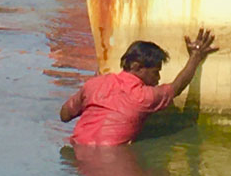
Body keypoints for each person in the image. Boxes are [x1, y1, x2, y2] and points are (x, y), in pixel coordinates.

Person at [60, 28, 218, 146]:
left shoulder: (93, 84)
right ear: (137, 67)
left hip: (78, 150)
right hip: (111, 158)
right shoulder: (144, 96)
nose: (158, 79)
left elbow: (64, 115)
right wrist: (196, 56)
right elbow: (177, 87)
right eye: (156, 72)